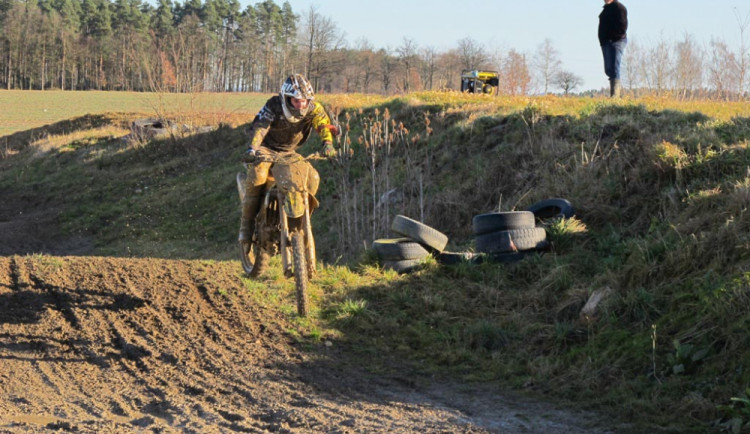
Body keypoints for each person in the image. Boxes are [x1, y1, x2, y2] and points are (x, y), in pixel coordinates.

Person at [239, 73, 337, 244]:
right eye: (297, 101)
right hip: (265, 148)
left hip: (289, 152)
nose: (301, 105)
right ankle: (246, 226)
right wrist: (253, 148)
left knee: (312, 178)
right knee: (257, 177)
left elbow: (322, 124)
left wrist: (327, 143)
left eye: (304, 101)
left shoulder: (314, 108)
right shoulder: (274, 105)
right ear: (286, 98)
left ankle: (298, 222)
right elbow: (261, 126)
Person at [598, 0, 628, 97]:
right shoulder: (605, 10)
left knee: (614, 68)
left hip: (616, 41)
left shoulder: (619, 8)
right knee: (608, 69)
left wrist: (615, 37)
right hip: (606, 42)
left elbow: (623, 25)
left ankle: (615, 96)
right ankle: (614, 94)